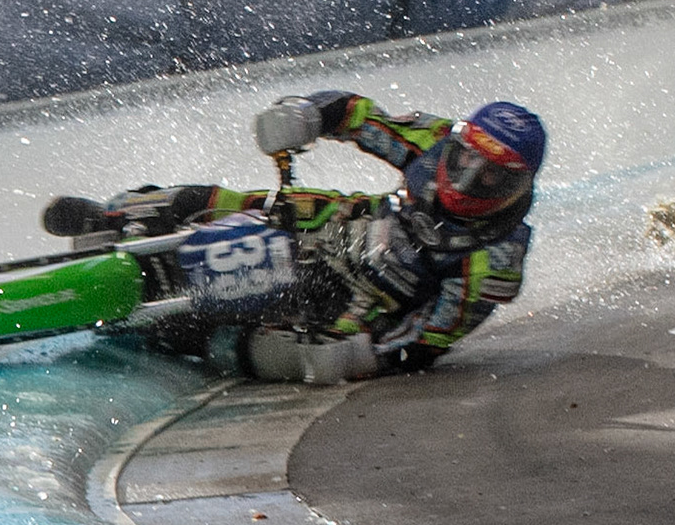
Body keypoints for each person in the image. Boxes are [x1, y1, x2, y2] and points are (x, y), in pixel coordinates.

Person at [42, 92, 547, 381]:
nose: (464, 181)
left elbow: (432, 337)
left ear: (517, 186)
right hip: (361, 221)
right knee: (231, 201)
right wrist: (305, 115)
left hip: (363, 303)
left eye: (490, 177)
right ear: (456, 144)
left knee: (255, 349)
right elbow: (359, 117)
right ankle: (109, 217)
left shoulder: (497, 260)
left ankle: (179, 339)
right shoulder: (433, 142)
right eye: (464, 160)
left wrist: (364, 356)